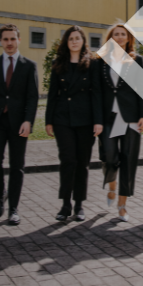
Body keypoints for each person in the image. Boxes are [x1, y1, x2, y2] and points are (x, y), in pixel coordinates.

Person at [0, 24, 39, 226]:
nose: (9, 43)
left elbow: (32, 97)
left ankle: (13, 209)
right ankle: (0, 193)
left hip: (19, 123)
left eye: (13, 39)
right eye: (5, 39)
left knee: (17, 166)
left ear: (19, 40)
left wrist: (28, 121)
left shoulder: (29, 66)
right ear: (0, 41)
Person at [45, 26, 103, 222]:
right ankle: (65, 204)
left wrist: (98, 121)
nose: (74, 42)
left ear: (83, 41)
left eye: (78, 38)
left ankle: (79, 204)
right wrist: (49, 121)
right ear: (66, 42)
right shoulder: (58, 63)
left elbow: (96, 93)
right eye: (71, 39)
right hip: (63, 119)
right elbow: (52, 94)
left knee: (82, 163)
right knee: (67, 160)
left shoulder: (92, 64)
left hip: (86, 120)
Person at [96, 22, 143, 222]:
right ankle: (111, 183)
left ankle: (122, 206)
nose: (119, 37)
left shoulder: (137, 60)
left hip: (131, 118)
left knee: (128, 161)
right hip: (108, 117)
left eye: (123, 35)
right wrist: (97, 120)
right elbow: (97, 92)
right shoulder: (100, 61)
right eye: (116, 34)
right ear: (110, 38)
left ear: (128, 39)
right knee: (109, 157)